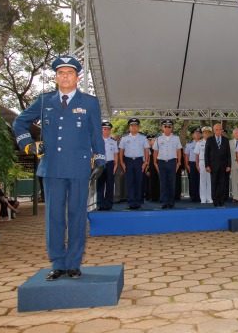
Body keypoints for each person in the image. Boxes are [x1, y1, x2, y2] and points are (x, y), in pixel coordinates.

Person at [12, 55, 105, 280]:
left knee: (77, 216)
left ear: (77, 77)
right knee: (54, 218)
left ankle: (74, 263)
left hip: (79, 168)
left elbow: (95, 133)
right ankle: (57, 263)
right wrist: (27, 144)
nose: (65, 77)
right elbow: (19, 122)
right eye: (61, 73)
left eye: (70, 73)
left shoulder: (89, 102)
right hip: (52, 168)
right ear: (55, 77)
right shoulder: (44, 101)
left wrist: (100, 160)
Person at [119, 118, 149, 210]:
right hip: (128, 161)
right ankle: (131, 203)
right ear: (129, 127)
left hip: (139, 161)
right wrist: (122, 162)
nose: (134, 127)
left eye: (136, 126)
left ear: (138, 128)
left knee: (139, 182)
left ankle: (138, 203)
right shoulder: (124, 138)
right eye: (132, 126)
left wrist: (146, 162)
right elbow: (121, 151)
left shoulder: (143, 138)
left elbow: (146, 151)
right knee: (130, 182)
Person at [153, 119, 182, 209]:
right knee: (163, 183)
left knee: (171, 183)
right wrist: (154, 162)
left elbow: (179, 151)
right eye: (165, 126)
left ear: (172, 128)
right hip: (161, 162)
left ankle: (171, 202)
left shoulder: (176, 138)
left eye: (169, 126)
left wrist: (179, 162)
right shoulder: (158, 138)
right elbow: (155, 151)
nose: (168, 128)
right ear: (162, 128)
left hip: (172, 162)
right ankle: (164, 202)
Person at [204, 123, 231, 207]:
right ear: (214, 131)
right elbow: (206, 154)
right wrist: (207, 165)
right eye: (216, 129)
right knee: (214, 184)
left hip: (224, 166)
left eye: (220, 129)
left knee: (222, 184)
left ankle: (221, 201)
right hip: (213, 166)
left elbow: (228, 154)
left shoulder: (226, 140)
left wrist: (229, 165)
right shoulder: (210, 140)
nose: (218, 131)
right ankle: (215, 201)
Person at [96, 121, 119, 211]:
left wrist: (116, 165)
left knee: (110, 184)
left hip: (110, 164)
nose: (106, 131)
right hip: (100, 164)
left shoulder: (113, 142)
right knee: (100, 184)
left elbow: (116, 154)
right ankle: (100, 204)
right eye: (104, 129)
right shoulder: (97, 140)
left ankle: (109, 204)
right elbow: (93, 153)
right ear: (101, 130)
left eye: (108, 129)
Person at [195, 127, 212, 204]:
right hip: (202, 162)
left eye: (208, 133)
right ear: (202, 134)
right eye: (205, 133)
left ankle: (209, 197)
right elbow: (197, 155)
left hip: (211, 163)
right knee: (202, 181)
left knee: (209, 181)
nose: (207, 134)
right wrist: (197, 164)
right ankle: (203, 198)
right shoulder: (199, 143)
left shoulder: (213, 142)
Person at [184, 127, 201, 202]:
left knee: (201, 180)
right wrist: (187, 165)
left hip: (201, 163)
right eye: (196, 133)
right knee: (193, 181)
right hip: (193, 164)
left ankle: (201, 196)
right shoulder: (189, 144)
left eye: (199, 133)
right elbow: (187, 155)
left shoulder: (203, 143)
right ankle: (194, 196)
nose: (197, 134)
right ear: (192, 135)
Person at [229, 128, 238, 203]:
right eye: (236, 133)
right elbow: (227, 155)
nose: (237, 134)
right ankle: (235, 196)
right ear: (233, 134)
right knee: (234, 180)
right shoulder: (229, 142)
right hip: (233, 163)